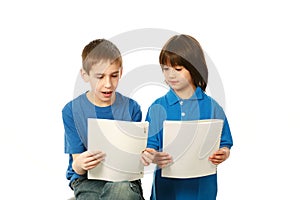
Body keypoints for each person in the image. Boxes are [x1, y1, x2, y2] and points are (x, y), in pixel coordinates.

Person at [141, 34, 233, 200]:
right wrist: (152, 155)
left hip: (202, 189)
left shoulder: (212, 107)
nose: (171, 75)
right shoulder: (157, 107)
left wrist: (224, 153)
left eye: (178, 69)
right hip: (166, 189)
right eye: (165, 69)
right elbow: (149, 146)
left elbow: (225, 143)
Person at [62, 39, 144, 200]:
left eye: (114, 76)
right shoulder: (72, 110)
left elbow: (134, 163)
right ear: (85, 75)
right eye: (100, 77)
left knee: (121, 192)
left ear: (121, 72)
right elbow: (77, 165)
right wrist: (81, 164)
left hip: (124, 181)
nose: (108, 84)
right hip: (87, 180)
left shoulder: (132, 108)